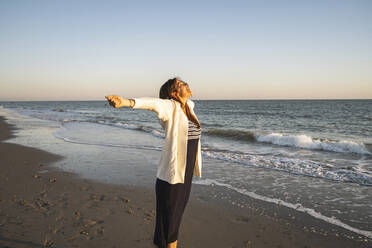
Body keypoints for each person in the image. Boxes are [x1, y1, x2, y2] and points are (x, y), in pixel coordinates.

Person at [105, 77, 202, 248]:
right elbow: (151, 103)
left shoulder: (188, 107)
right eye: (181, 84)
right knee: (170, 224)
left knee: (174, 221)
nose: (186, 84)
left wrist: (184, 97)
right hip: (172, 177)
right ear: (172, 93)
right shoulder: (169, 106)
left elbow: (188, 101)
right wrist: (126, 102)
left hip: (185, 175)